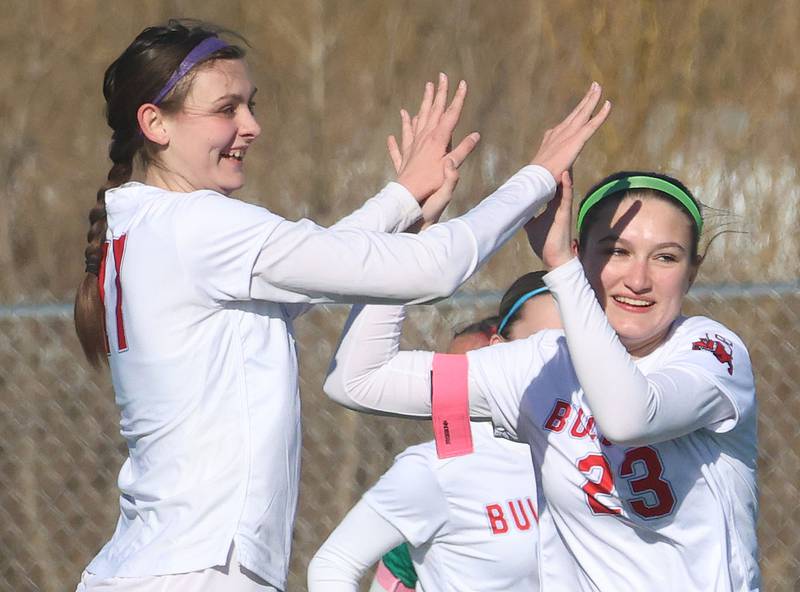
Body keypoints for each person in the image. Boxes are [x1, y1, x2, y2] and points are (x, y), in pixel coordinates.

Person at [73, 19, 610, 592]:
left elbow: (319, 262)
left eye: (251, 104)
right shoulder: (197, 226)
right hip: (195, 572)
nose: (251, 125)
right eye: (226, 108)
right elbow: (435, 268)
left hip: (156, 565)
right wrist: (536, 177)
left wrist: (403, 198)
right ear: (155, 123)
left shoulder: (147, 227)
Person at [324, 170, 758, 591]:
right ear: (581, 255)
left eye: (666, 257)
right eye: (616, 251)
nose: (639, 280)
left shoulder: (711, 352)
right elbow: (359, 379)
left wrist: (562, 270)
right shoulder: (540, 363)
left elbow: (628, 418)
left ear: (692, 271)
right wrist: (409, 240)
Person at [309, 274, 560, 592]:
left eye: (574, 349)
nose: (562, 364)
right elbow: (333, 565)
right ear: (498, 350)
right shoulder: (441, 469)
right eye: (540, 346)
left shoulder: (599, 449)